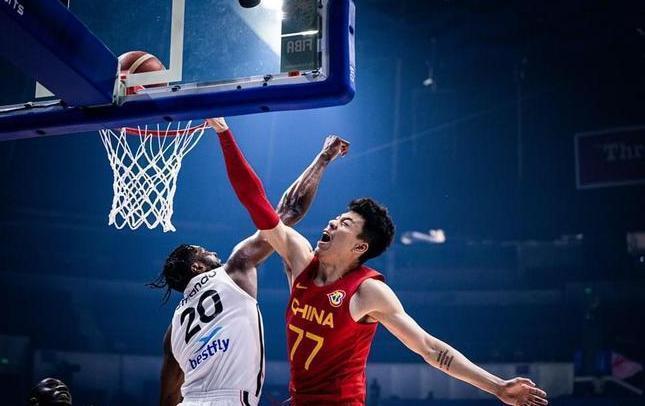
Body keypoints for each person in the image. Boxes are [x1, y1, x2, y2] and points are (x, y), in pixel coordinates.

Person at [210, 116, 549, 406]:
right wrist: (225, 133)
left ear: (360, 247)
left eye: (345, 224)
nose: (332, 223)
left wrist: (498, 387)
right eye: (336, 218)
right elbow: (259, 205)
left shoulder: (367, 292)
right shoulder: (300, 259)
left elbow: (430, 349)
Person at [151, 126, 349, 406]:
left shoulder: (174, 328)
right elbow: (289, 210)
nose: (212, 252)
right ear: (196, 267)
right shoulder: (233, 271)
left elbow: (169, 396)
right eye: (203, 252)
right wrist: (324, 157)